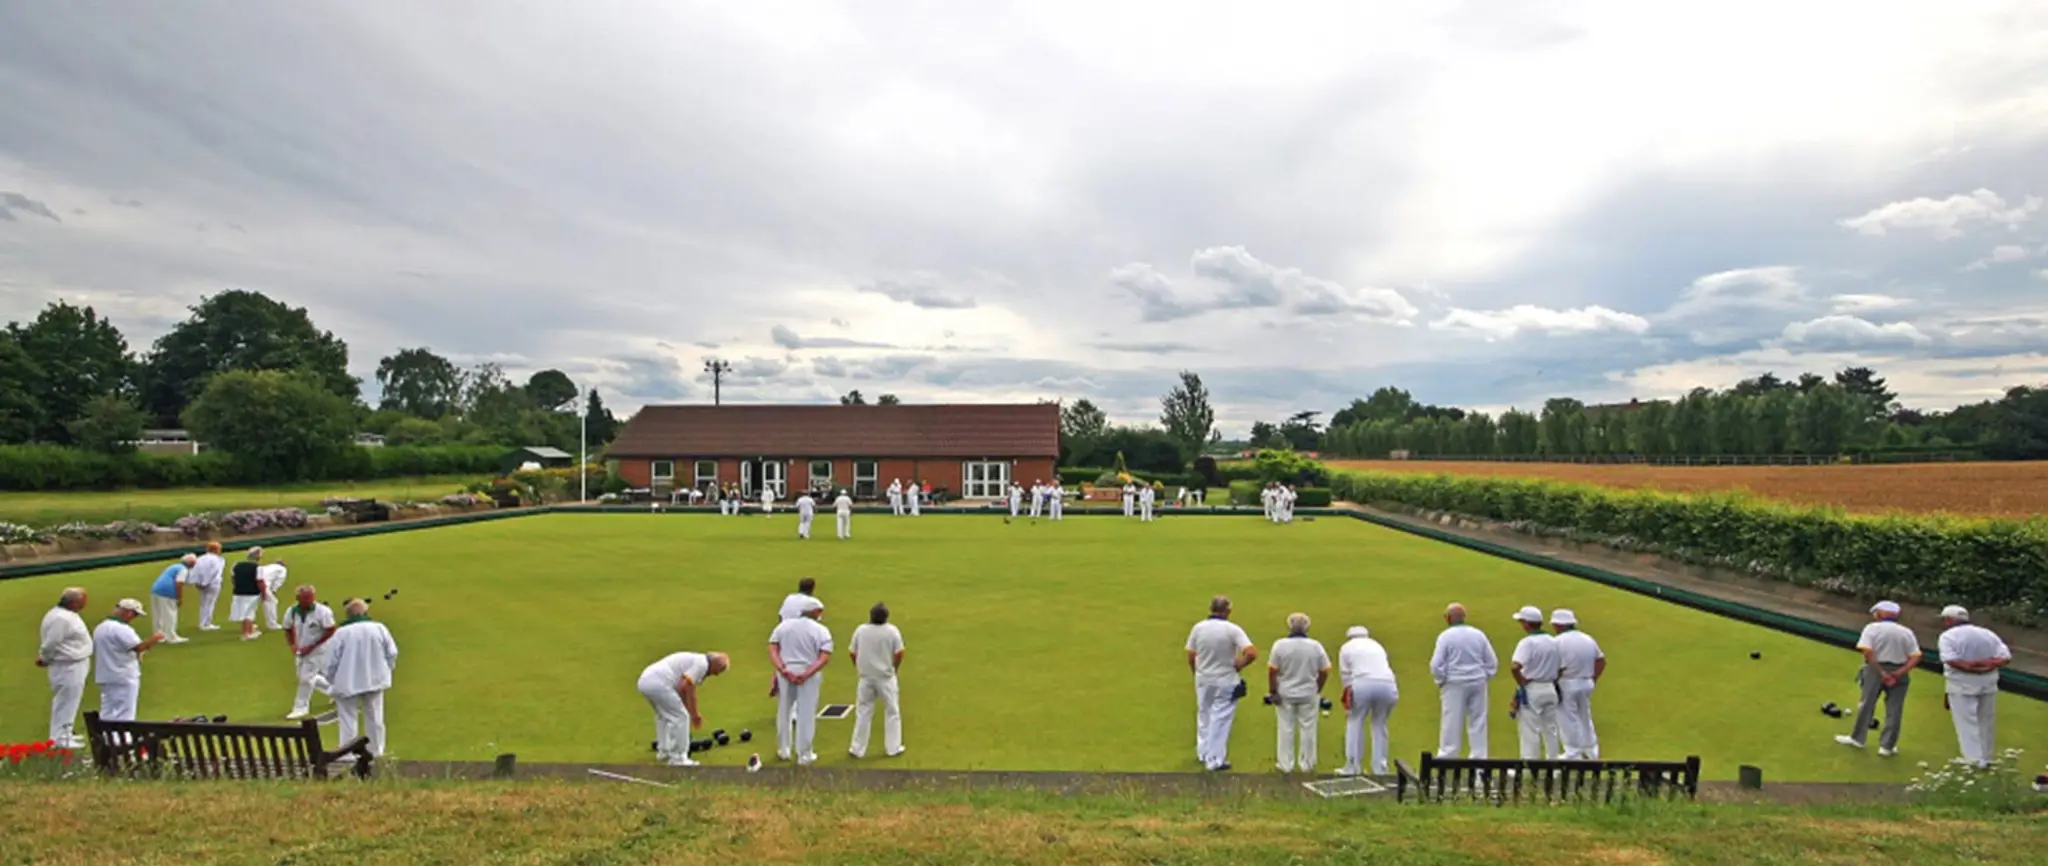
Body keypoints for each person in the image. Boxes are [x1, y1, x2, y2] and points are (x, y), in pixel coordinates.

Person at [1835, 600, 1921, 756]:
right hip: (1899, 670)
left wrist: (1882, 673)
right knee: (1895, 709)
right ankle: (1887, 747)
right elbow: (1915, 656)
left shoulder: (1872, 628)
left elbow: (1868, 652)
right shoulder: (1907, 632)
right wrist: (1899, 672)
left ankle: (1858, 738)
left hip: (1875, 669)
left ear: (1880, 614)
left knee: (1867, 703)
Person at [1186, 595, 1257, 771]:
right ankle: (1215, 759)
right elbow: (1251, 652)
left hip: (1203, 678)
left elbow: (1192, 655)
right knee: (1221, 719)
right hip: (1225, 679)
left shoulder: (1198, 628)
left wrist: (1197, 673)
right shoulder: (1232, 629)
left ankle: (1203, 753)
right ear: (1227, 610)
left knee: (1204, 714)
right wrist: (1239, 665)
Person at [323, 598, 399, 759]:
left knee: (348, 719)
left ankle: (348, 754)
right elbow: (392, 653)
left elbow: (330, 662)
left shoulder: (341, 633)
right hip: (374, 679)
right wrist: (386, 670)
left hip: (347, 681)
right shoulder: (379, 628)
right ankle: (376, 751)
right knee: (375, 716)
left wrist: (332, 679)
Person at [1936, 605, 2011, 768]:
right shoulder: (1988, 633)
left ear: (1948, 620)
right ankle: (1986, 758)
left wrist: (1973, 667)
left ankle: (1974, 760)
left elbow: (1952, 661)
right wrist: (1987, 665)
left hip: (1961, 685)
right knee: (1986, 721)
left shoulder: (1947, 636)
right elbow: (2005, 657)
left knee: (1966, 723)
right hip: (1988, 683)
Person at [768, 598, 833, 765]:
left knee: (784, 710)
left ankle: (783, 750)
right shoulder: (821, 630)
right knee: (806, 712)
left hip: (786, 671)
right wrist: (807, 673)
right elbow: (824, 656)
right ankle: (804, 754)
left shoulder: (783, 626)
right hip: (808, 673)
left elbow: (773, 648)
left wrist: (782, 669)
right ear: (815, 612)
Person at [638, 650, 731, 766]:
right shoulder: (702, 665)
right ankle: (678, 759)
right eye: (719, 670)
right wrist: (694, 714)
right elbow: (687, 686)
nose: (716, 674)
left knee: (663, 716)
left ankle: (664, 751)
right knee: (681, 717)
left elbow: (682, 689)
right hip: (659, 683)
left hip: (645, 681)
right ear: (715, 665)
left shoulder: (697, 660)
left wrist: (689, 709)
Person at [1430, 603, 1497, 759]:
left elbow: (1436, 664)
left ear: (1448, 618)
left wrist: (1441, 679)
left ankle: (1447, 757)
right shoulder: (1478, 634)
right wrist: (1484, 676)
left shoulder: (1445, 636)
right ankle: (1479, 760)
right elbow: (1492, 661)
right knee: (1478, 720)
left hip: (1454, 682)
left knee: (1451, 720)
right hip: (1478, 681)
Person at [1267, 613, 1330, 773]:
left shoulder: (1279, 645)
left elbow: (1273, 671)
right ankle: (1307, 764)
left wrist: (1273, 691)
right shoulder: (1316, 646)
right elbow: (1324, 670)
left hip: (1285, 692)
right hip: (1308, 692)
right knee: (1308, 728)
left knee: (1285, 728)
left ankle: (1285, 764)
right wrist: (1317, 688)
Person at [1337, 625, 1398, 776]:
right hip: (1388, 684)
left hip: (1362, 683)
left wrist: (1347, 698)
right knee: (1380, 723)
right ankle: (1380, 768)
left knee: (1355, 721)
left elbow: (1346, 675)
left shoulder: (1346, 647)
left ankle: (1352, 766)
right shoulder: (1377, 645)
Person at [848, 602, 906, 759]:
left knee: (863, 712)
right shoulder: (892, 631)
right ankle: (893, 748)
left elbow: (852, 652)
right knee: (892, 711)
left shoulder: (861, 630)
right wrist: (894, 668)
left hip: (866, 677)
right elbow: (899, 653)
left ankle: (857, 749)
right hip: (886, 678)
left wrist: (859, 667)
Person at [37, 588, 93, 747]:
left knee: (70, 700)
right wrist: (44, 658)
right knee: (66, 701)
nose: (84, 605)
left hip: (74, 663)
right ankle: (60, 738)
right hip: (68, 665)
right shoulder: (61, 619)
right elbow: (51, 643)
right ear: (74, 602)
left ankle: (65, 732)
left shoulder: (65, 615)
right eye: (82, 602)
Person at [92, 598, 165, 722]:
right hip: (123, 675)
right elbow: (138, 647)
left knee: (108, 710)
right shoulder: (122, 629)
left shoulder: (101, 627)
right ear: (129, 612)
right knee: (125, 712)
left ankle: (105, 733)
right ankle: (122, 734)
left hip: (105, 675)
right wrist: (154, 639)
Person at [1508, 606, 1563, 760]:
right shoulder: (1554, 642)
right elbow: (1562, 668)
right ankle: (1554, 765)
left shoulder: (1527, 642)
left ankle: (1529, 765)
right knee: (1551, 729)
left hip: (1532, 689)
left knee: (1530, 730)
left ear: (1527, 623)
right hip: (1550, 688)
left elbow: (1515, 667)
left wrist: (1522, 683)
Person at [1551, 609, 1604, 760]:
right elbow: (1601, 661)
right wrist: (1593, 679)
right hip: (1586, 682)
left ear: (1558, 625)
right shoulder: (1588, 639)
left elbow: (1555, 667)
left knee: (1568, 718)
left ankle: (1573, 752)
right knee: (1585, 715)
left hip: (1567, 683)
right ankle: (1591, 750)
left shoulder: (1557, 642)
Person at [283, 585, 337, 720]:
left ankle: (300, 707)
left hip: (320, 649)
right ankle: (338, 692)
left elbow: (330, 630)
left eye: (311, 597)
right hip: (301, 649)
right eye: (305, 598)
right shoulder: (292, 611)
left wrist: (313, 646)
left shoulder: (323, 611)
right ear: (298, 598)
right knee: (306, 676)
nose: (309, 600)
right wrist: (292, 645)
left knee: (306, 678)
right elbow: (287, 628)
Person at [770, 578, 822, 698]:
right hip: (801, 636)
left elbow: (780, 616)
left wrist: (780, 633)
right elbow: (815, 624)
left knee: (782, 660)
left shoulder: (789, 598)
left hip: (783, 633)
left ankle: (776, 679)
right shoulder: (815, 603)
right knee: (800, 666)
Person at [148, 554, 195, 644]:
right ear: (191, 563)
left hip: (155, 590)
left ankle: (159, 636)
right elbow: (179, 583)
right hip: (167, 592)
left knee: (158, 614)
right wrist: (179, 597)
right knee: (170, 614)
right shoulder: (183, 569)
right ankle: (171, 637)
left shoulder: (174, 566)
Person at [230, 547, 267, 641]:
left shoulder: (236, 565)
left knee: (244, 612)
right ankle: (246, 634)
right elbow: (260, 581)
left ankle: (250, 630)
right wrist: (264, 593)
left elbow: (233, 578)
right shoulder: (258, 567)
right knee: (249, 613)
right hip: (252, 593)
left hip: (238, 592)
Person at [190, 542, 226, 630]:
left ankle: (202, 622)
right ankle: (206, 624)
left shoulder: (200, 558)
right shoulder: (218, 560)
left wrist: (197, 582)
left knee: (203, 603)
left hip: (202, 583)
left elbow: (195, 571)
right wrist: (206, 582)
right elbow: (214, 572)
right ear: (215, 550)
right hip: (213, 583)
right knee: (210, 603)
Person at [258, 559, 290, 631]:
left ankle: (248, 624)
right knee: (272, 601)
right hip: (263, 584)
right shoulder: (282, 569)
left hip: (253, 582)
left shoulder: (269, 566)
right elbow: (279, 581)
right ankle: (272, 624)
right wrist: (274, 590)